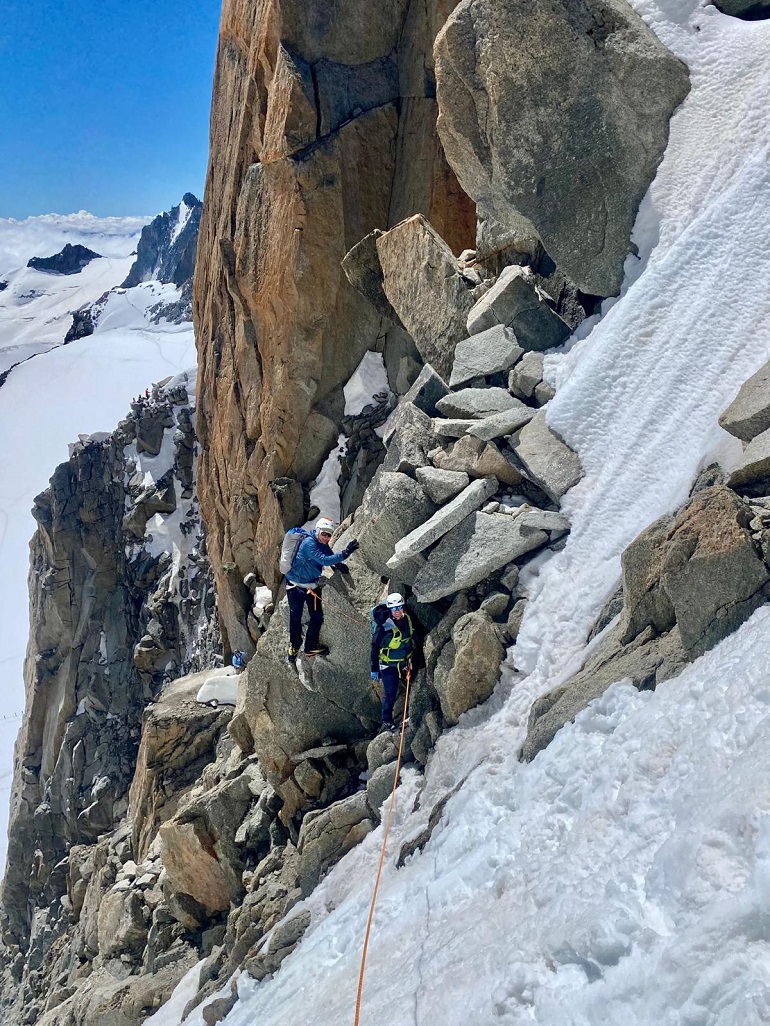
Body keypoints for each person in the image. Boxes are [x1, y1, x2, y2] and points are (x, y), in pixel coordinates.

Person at [285, 517, 359, 663]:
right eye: (324, 533)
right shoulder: (308, 543)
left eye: (329, 535)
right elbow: (324, 560)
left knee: (317, 617)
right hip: (295, 586)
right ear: (318, 531)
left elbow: (328, 554)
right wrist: (345, 553)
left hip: (311, 585)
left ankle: (310, 647)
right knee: (296, 616)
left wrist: (337, 564)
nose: (326, 537)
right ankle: (294, 645)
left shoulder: (320, 542)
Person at [370, 592, 417, 733]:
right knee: (390, 693)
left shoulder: (407, 619)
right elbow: (374, 648)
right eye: (394, 609)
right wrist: (374, 669)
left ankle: (412, 713)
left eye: (399, 607)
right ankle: (387, 721)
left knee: (414, 685)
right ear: (389, 610)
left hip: (405, 661)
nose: (397, 611)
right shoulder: (383, 627)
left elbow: (411, 638)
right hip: (388, 665)